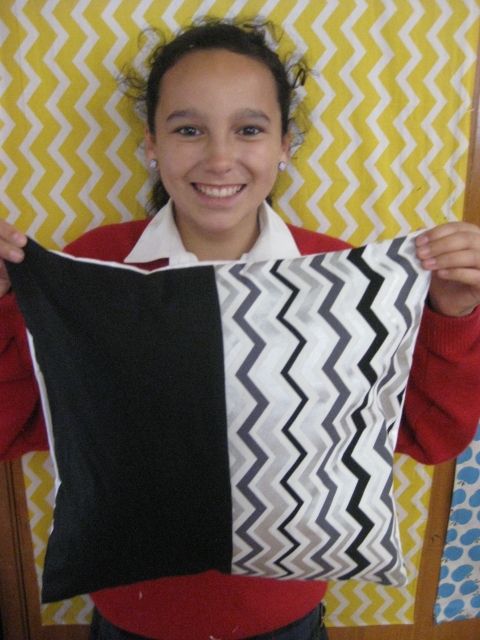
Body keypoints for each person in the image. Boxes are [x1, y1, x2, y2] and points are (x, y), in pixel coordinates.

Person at [1, 18, 480, 640]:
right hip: (131, 618)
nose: (220, 158)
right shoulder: (94, 269)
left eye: (249, 129)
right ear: (151, 143)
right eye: (188, 129)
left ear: (285, 144)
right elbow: (16, 426)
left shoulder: (339, 275)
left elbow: (430, 435)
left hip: (285, 619)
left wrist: (452, 313)